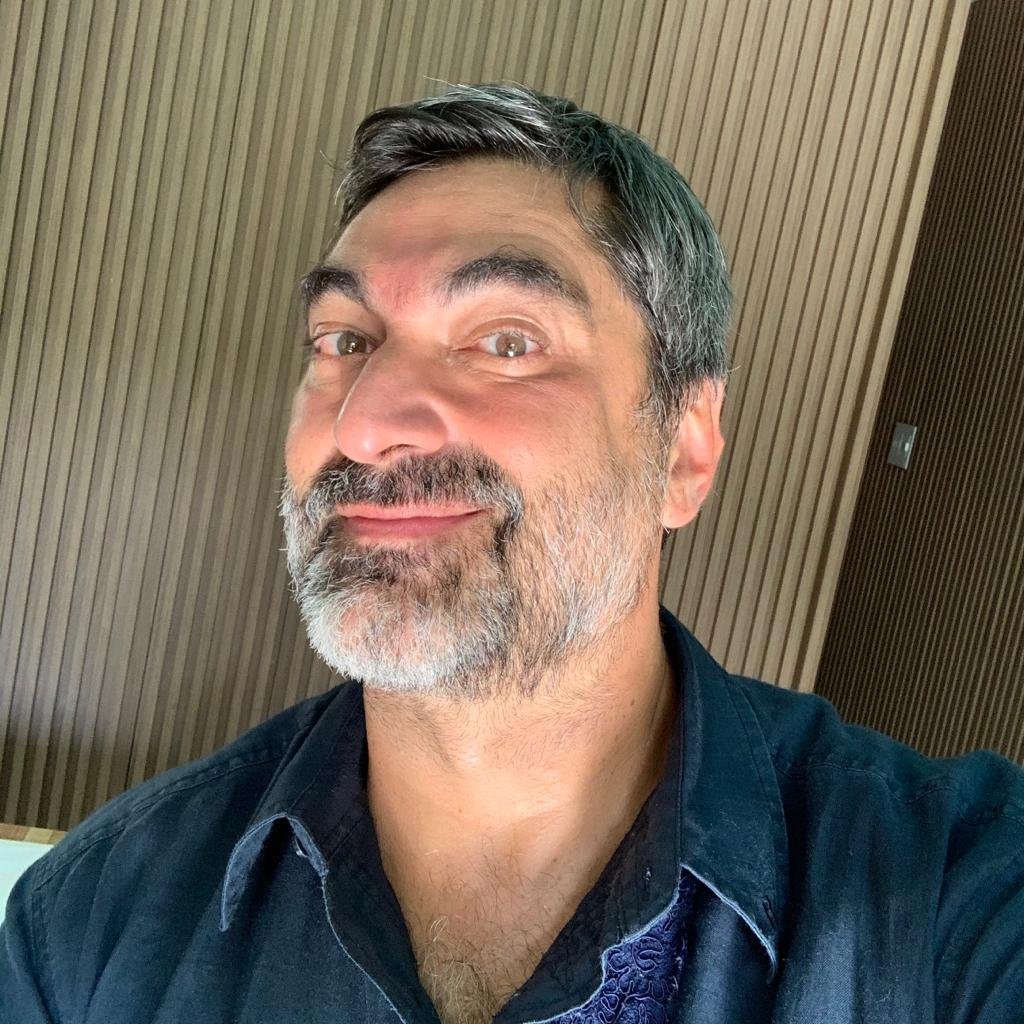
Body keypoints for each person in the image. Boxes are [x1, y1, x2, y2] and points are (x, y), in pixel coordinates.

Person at [2, 83, 1022, 1024]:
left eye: (506, 341)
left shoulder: (951, 897)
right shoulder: (86, 929)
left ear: (684, 446)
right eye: (345, 340)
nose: (366, 425)